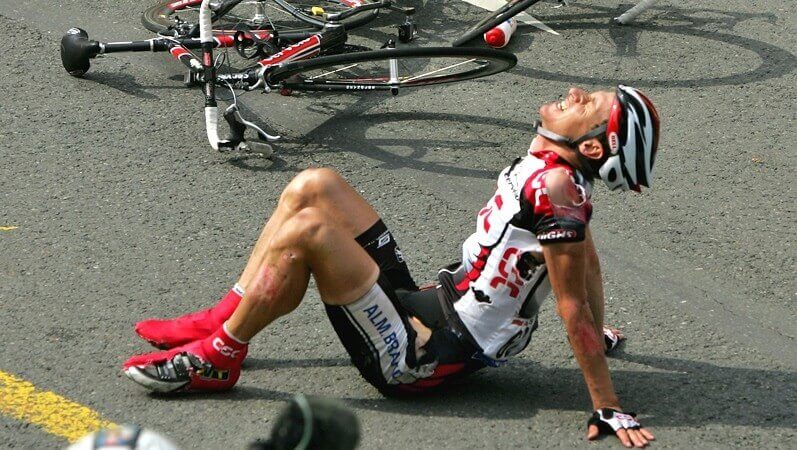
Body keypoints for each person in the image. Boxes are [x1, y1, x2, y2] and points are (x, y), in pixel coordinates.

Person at [124, 85, 660, 448]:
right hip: (432, 304)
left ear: (588, 143)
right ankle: (226, 315)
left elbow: (571, 297)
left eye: (585, 102)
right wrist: (604, 331)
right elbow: (585, 255)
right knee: (315, 184)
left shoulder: (558, 186)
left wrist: (607, 404)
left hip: (419, 357)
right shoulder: (554, 168)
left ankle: (221, 355)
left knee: (307, 235)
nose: (572, 93)